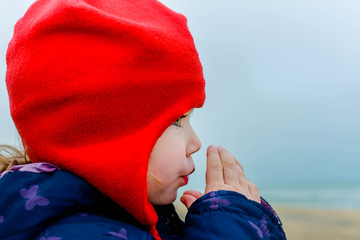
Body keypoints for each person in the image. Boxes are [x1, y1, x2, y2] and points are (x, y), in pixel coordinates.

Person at [0, 0, 286, 239]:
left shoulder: (112, 218)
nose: (196, 143)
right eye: (177, 120)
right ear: (107, 133)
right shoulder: (79, 232)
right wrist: (235, 226)